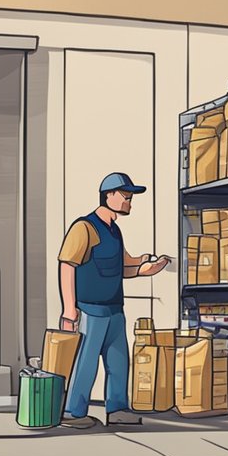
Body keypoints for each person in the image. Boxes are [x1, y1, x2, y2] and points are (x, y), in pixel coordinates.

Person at [57, 173, 170, 429]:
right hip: (90, 310)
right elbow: (67, 265)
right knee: (85, 363)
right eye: (126, 196)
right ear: (108, 195)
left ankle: (118, 409)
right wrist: (69, 309)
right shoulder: (84, 228)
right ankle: (74, 412)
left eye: (130, 197)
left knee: (118, 362)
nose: (130, 201)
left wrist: (146, 267)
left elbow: (122, 266)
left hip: (114, 310)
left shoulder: (114, 230)